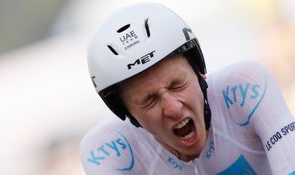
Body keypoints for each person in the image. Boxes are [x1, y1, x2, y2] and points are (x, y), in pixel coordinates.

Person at [80, 2, 295, 175]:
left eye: (177, 85)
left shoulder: (245, 85)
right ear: (128, 114)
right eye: (150, 101)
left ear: (199, 71)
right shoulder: (106, 147)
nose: (173, 108)